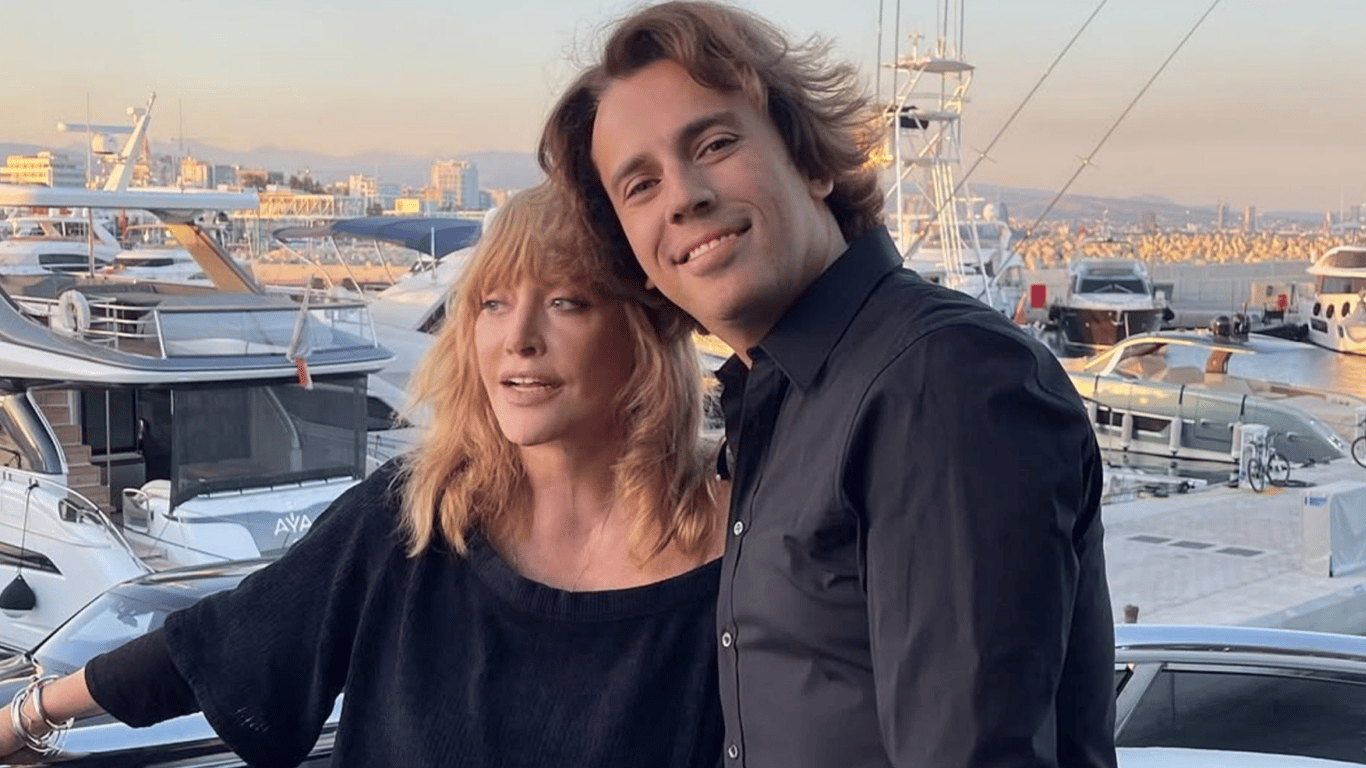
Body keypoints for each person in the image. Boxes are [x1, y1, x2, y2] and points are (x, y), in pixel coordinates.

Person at [538, 2, 1116, 767]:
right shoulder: (782, 402)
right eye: (640, 185)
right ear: (634, 253)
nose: (683, 196)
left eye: (714, 144)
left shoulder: (937, 382)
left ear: (812, 162)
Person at [0, 183, 727, 767]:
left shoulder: (739, 546)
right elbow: (220, 645)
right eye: (492, 303)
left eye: (567, 301)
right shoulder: (413, 520)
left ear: (644, 330)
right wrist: (26, 716)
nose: (518, 339)